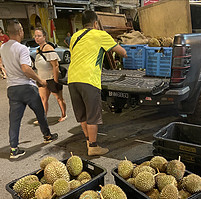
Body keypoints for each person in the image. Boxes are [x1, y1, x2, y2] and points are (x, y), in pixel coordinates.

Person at [68, 10, 127, 156]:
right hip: (89, 79)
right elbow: (122, 52)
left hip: (73, 79)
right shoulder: (100, 35)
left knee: (82, 116)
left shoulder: (75, 36)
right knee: (92, 116)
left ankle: (89, 142)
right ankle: (93, 147)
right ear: (95, 23)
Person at [0, 19, 58, 159]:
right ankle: (47, 136)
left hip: (12, 88)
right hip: (26, 87)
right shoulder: (22, 48)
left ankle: (13, 149)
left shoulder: (3, 47)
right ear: (20, 31)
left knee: (14, 120)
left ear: (8, 32)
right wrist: (40, 80)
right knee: (40, 113)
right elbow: (26, 68)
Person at [34, 27, 67, 123]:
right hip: (42, 79)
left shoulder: (48, 48)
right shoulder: (37, 50)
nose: (37, 38)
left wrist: (56, 80)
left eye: (39, 36)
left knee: (59, 98)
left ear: (44, 37)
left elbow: (55, 66)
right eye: (35, 36)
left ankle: (64, 114)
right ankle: (43, 118)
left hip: (52, 78)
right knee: (43, 99)